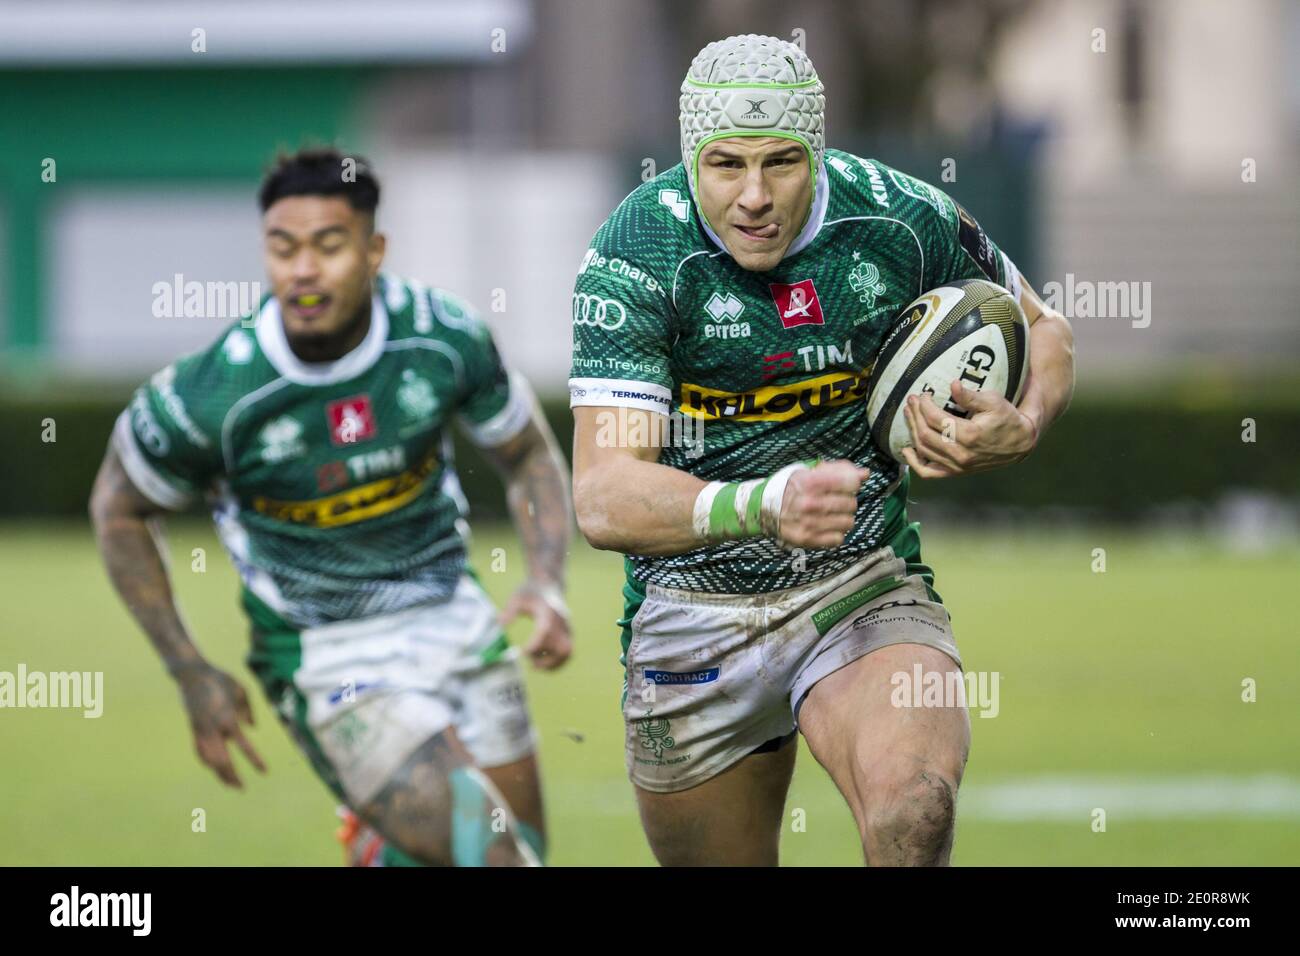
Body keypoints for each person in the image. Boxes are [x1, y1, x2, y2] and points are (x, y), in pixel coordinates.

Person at [569, 34, 1075, 865]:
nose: (755, 196)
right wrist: (764, 503)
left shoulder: (899, 217)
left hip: (856, 582)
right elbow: (603, 494)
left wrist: (1028, 417)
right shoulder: (638, 252)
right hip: (692, 617)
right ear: (691, 156)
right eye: (725, 165)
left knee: (914, 810)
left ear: (820, 152)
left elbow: (1046, 328)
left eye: (782, 163)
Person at [91, 148, 573, 867]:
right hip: (329, 658)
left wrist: (545, 579)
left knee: (522, 849)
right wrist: (190, 670)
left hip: (457, 621)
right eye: (283, 249)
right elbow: (117, 508)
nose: (303, 270)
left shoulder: (442, 338)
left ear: (373, 250)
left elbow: (528, 453)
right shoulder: (216, 392)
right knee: (499, 861)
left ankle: (381, 846)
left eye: (328, 245)